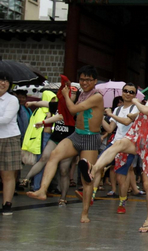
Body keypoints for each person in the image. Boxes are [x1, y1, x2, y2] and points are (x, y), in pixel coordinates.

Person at [83, 69, 148, 232]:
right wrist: (119, 114)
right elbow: (135, 116)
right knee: (118, 144)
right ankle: (93, 169)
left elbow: (147, 111)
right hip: (142, 135)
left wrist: (135, 101)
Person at [27, 65, 105, 224]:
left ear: (95, 81)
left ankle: (84, 213)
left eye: (88, 80)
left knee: (86, 177)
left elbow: (74, 108)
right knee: (54, 155)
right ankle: (42, 190)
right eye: (82, 79)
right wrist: (66, 94)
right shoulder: (83, 93)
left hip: (90, 138)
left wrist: (66, 96)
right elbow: (66, 112)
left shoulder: (97, 96)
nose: (84, 82)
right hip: (77, 134)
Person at [23, 87, 79, 206]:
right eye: (70, 93)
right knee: (44, 158)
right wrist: (33, 102)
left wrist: (43, 122)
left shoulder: (76, 109)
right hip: (55, 138)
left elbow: (60, 117)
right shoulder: (58, 105)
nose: (71, 95)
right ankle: (26, 179)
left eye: (74, 94)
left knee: (64, 170)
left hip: (68, 141)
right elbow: (45, 103)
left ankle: (63, 198)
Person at [95, 82, 141, 214]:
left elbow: (127, 121)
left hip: (127, 145)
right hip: (114, 143)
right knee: (99, 164)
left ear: (135, 95)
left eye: (131, 92)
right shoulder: (117, 109)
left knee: (121, 177)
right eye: (126, 91)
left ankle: (122, 201)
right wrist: (100, 116)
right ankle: (91, 195)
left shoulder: (136, 109)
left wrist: (111, 115)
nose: (128, 94)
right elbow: (110, 129)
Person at [0, 71, 20, 215]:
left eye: (6, 81)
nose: (3, 83)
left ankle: (7, 204)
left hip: (9, 138)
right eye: (1, 80)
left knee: (7, 174)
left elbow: (6, 119)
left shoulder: (12, 100)